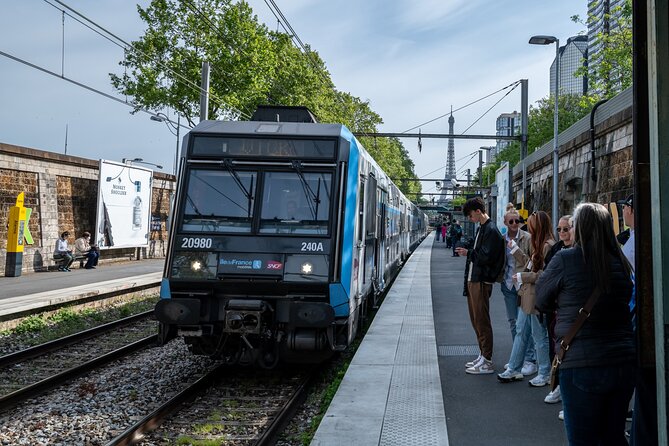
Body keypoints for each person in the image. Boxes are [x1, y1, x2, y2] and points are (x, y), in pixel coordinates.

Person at [536, 202, 635, 445]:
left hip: (581, 363)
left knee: (583, 439)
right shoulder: (621, 262)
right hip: (622, 361)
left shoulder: (566, 259)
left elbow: (541, 298)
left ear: (579, 228)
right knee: (613, 436)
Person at [497, 211, 554, 387]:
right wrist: (516, 251)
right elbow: (531, 263)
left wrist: (523, 277)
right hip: (528, 294)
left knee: (538, 335)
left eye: (531, 224)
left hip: (535, 295)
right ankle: (514, 368)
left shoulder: (547, 245)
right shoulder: (539, 243)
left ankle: (544, 372)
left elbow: (544, 274)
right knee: (522, 331)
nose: (527, 227)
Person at [455, 197, 505, 374]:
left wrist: (468, 253)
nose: (470, 219)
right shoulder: (484, 228)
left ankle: (487, 359)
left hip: (481, 281)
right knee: (476, 319)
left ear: (478, 211)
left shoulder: (490, 230)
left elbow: (486, 257)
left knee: (481, 320)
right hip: (474, 279)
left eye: (470, 215)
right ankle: (483, 355)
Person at [499, 208, 536, 376]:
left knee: (524, 325)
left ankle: (529, 359)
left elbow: (531, 263)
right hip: (508, 286)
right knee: (513, 323)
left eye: (517, 221)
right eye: (511, 221)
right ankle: (517, 358)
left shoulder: (527, 238)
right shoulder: (502, 240)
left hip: (523, 287)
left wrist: (515, 250)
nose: (515, 224)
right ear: (505, 223)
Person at [542, 214, 574, 405]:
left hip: (569, 309)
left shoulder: (578, 251)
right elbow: (547, 275)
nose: (562, 233)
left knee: (567, 350)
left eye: (566, 228)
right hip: (554, 307)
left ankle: (565, 390)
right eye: (560, 229)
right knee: (554, 347)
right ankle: (557, 385)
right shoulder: (556, 249)